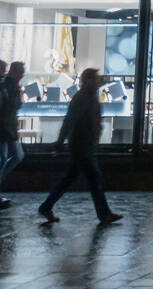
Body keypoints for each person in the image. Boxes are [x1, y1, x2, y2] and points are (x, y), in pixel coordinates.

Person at [38, 69, 122, 225]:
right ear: (89, 80)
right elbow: (70, 121)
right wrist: (60, 141)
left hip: (82, 144)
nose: (99, 82)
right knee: (94, 179)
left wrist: (61, 141)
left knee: (70, 179)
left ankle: (46, 206)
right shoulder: (84, 98)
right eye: (96, 79)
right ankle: (104, 214)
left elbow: (70, 121)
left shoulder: (85, 97)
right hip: (82, 145)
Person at [0, 60, 25, 207]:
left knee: (10, 157)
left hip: (8, 127)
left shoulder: (9, 85)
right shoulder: (6, 85)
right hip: (5, 128)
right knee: (5, 158)